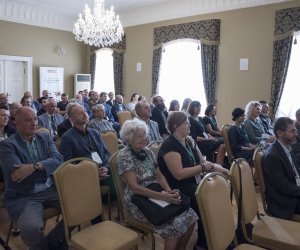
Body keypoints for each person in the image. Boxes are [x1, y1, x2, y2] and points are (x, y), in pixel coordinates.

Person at [118, 118, 198, 250]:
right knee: (174, 224)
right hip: (137, 199)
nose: (144, 138)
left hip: (155, 191)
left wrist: (167, 190)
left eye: (145, 134)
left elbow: (159, 175)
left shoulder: (148, 152)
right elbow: (135, 188)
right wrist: (163, 197)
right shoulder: (125, 156)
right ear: (129, 138)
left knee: (191, 216)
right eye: (139, 136)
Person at [157, 111, 229, 249]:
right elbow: (179, 174)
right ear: (176, 126)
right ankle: (204, 243)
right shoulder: (170, 145)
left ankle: (217, 238)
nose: (189, 124)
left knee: (216, 194)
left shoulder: (188, 140)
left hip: (192, 182)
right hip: (178, 187)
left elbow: (202, 161)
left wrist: (219, 168)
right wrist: (202, 167)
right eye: (186, 123)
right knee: (207, 202)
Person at [0, 107, 65, 250]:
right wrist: (47, 167)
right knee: (31, 228)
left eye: (35, 119)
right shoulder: (7, 145)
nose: (34, 123)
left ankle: (53, 241)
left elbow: (59, 160)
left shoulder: (45, 137)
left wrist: (34, 167)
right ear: (16, 123)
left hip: (51, 188)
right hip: (25, 194)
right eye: (28, 120)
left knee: (80, 207)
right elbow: (17, 175)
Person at [262, 117, 300, 220]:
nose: (296, 134)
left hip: (293, 191)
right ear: (280, 133)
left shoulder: (287, 147)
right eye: (292, 131)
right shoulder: (272, 156)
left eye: (295, 130)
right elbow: (283, 187)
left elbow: (295, 172)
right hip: (285, 202)